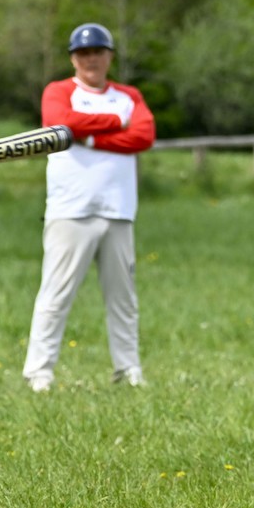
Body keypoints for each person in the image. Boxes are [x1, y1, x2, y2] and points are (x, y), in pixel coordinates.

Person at [22, 22, 156, 393]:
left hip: (118, 210)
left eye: (98, 52)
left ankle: (128, 370)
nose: (91, 59)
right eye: (83, 53)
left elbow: (143, 135)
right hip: (71, 210)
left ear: (109, 56)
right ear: (73, 58)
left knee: (123, 299)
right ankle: (39, 373)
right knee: (56, 294)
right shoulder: (60, 91)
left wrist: (90, 138)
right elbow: (60, 123)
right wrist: (114, 124)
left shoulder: (129, 96)